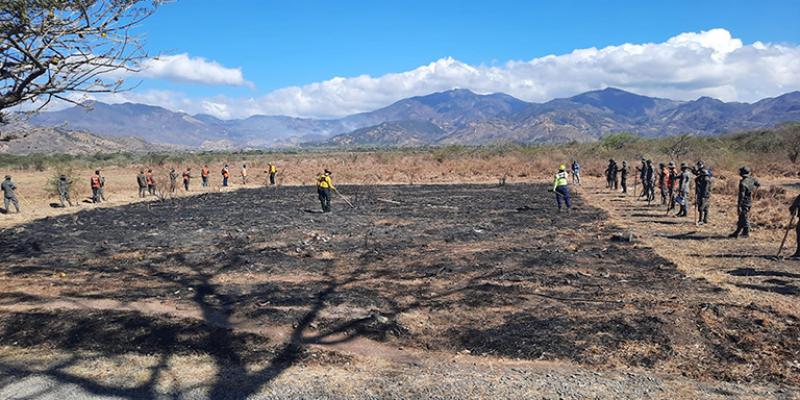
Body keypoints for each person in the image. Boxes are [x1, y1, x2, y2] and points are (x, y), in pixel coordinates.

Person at [730, 167, 760, 238]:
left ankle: (746, 233)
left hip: (744, 202)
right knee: (741, 217)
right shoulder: (752, 179)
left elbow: (741, 196)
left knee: (744, 217)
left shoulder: (743, 183)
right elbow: (758, 184)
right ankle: (737, 232)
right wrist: (753, 191)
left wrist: (739, 205)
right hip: (749, 200)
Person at [694, 161, 712, 225]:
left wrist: (703, 196)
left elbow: (706, 189)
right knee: (706, 207)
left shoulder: (706, 179)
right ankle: (705, 219)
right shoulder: (703, 178)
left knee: (701, 207)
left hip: (704, 195)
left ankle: (701, 220)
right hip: (704, 194)